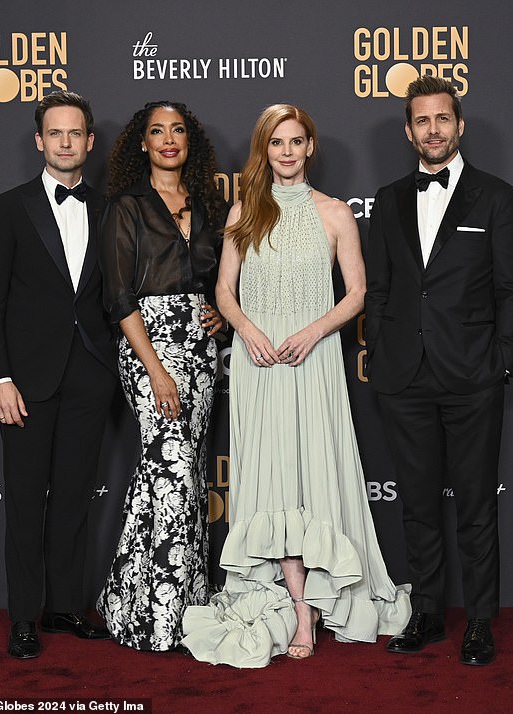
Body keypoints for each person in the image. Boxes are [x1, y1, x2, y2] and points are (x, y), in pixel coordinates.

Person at [182, 104, 410, 668]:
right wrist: (250, 335)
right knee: (276, 482)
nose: (286, 151)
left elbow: (357, 294)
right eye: (276, 142)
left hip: (315, 360)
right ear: (264, 150)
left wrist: (312, 332)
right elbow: (225, 293)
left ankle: (318, 600)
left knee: (313, 478)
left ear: (310, 147)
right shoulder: (243, 213)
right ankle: (301, 611)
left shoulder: (336, 215)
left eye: (295, 141)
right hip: (260, 366)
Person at [365, 76, 513, 666]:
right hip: (404, 378)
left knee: (477, 505)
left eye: (443, 119)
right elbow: (378, 289)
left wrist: (501, 361)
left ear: (459, 127)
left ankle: (480, 622)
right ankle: (428, 613)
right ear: (409, 131)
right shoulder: (386, 200)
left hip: (472, 377)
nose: (432, 130)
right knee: (416, 505)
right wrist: (381, 353)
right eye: (421, 121)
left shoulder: (497, 198)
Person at [0, 90, 118, 659]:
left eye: (74, 134)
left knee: (74, 499)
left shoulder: (108, 209)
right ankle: (22, 618)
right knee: (26, 501)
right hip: (26, 381)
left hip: (91, 375)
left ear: (88, 141)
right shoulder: (8, 207)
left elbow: (126, 292)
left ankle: (62, 607)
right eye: (54, 134)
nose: (65, 142)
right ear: (40, 141)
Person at [97, 101, 226, 652]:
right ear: (142, 144)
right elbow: (119, 295)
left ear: (188, 141)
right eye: (157, 131)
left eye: (177, 130)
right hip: (146, 342)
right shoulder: (125, 206)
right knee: (171, 467)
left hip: (201, 347)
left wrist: (221, 310)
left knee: (181, 472)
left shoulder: (212, 204)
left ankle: (139, 603)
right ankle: (159, 618)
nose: (168, 139)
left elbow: (223, 276)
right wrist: (155, 369)